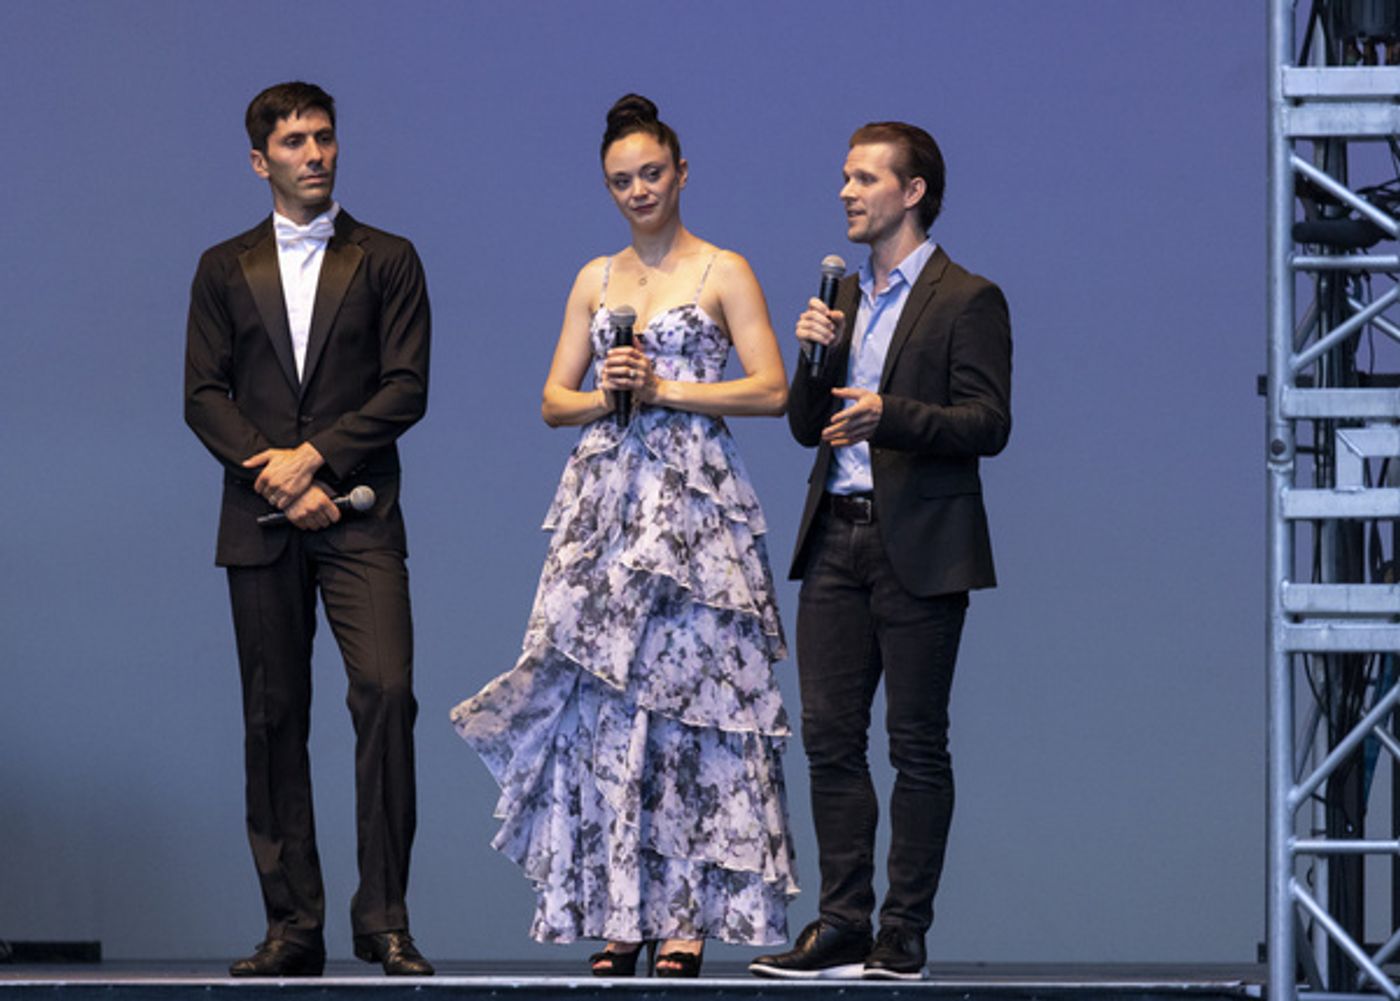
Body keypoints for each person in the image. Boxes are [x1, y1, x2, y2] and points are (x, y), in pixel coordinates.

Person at [451, 94, 796, 979]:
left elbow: (771, 389)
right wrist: (609, 392)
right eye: (621, 181)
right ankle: (619, 913)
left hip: (691, 514)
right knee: (607, 708)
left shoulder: (724, 269)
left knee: (690, 710)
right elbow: (550, 401)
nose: (638, 190)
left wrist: (665, 389)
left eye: (651, 173)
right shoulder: (594, 279)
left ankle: (684, 919)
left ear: (681, 173)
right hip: (607, 505)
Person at [749, 122, 1011, 981]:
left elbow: (988, 423)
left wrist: (887, 414)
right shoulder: (844, 300)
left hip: (921, 546)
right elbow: (801, 429)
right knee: (828, 739)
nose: (846, 193)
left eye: (865, 178)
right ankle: (841, 924)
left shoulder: (968, 297)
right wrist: (812, 359)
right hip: (836, 537)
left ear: (913, 190)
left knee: (916, 743)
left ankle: (903, 930)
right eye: (844, 178)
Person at [184, 81, 434, 978]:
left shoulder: (389, 256)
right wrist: (278, 477)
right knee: (272, 716)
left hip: (361, 517)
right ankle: (293, 927)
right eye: (294, 141)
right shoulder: (223, 265)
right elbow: (203, 396)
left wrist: (315, 460)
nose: (315, 153)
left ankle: (386, 920)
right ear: (261, 160)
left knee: (386, 694)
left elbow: (406, 386)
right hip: (261, 519)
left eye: (324, 136)